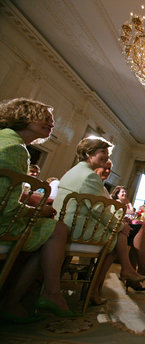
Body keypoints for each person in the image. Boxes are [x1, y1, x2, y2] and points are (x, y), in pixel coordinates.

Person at [0, 98, 74, 322]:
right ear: (24, 115)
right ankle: (15, 301)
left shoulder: (5, 139)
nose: (52, 124)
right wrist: (40, 211)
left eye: (52, 121)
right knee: (58, 229)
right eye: (45, 118)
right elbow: (7, 207)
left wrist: (30, 199)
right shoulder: (15, 149)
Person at [52, 136, 145, 301]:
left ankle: (124, 272)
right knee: (114, 241)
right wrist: (120, 226)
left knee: (118, 233)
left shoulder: (75, 170)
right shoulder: (89, 176)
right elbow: (99, 209)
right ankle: (93, 290)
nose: (106, 157)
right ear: (88, 153)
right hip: (74, 229)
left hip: (67, 224)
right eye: (102, 153)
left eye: (107, 153)